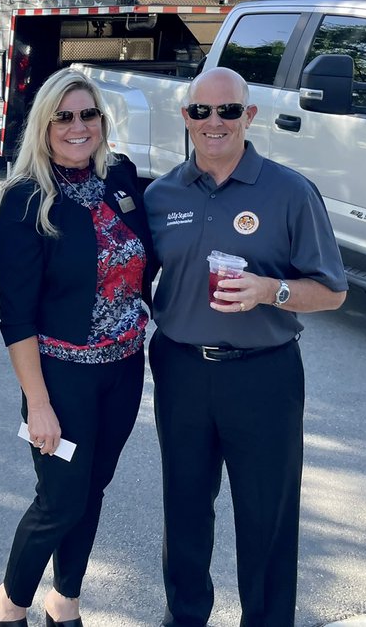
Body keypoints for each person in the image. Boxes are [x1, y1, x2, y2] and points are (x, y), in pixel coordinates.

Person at [143, 67, 348, 627]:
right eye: (201, 112)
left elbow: (332, 292)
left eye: (228, 111)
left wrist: (270, 290)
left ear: (249, 116)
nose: (214, 122)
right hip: (181, 370)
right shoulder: (161, 196)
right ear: (185, 117)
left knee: (267, 517)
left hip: (264, 375)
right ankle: (184, 616)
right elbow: (131, 277)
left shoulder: (289, 191)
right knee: (184, 508)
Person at [0, 69, 154, 627]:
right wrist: (37, 403)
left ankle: (66, 600)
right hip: (60, 380)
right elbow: (16, 316)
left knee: (93, 488)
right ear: (44, 124)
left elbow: (149, 258)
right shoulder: (26, 200)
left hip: (125, 371)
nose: (78, 126)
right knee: (60, 499)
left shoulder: (122, 179)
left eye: (88, 115)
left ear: (103, 123)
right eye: (64, 116)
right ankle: (11, 603)